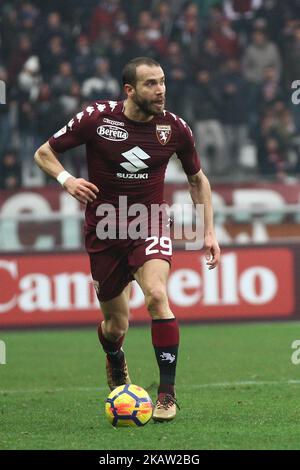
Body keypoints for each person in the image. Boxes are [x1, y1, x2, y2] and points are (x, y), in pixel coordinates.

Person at [34, 57, 220, 422]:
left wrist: (209, 230)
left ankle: (166, 395)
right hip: (104, 230)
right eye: (151, 83)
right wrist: (67, 181)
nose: (161, 90)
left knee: (156, 296)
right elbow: (44, 153)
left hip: (149, 223)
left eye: (163, 81)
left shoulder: (175, 129)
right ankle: (115, 357)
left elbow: (197, 180)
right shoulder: (96, 119)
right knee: (115, 325)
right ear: (129, 90)